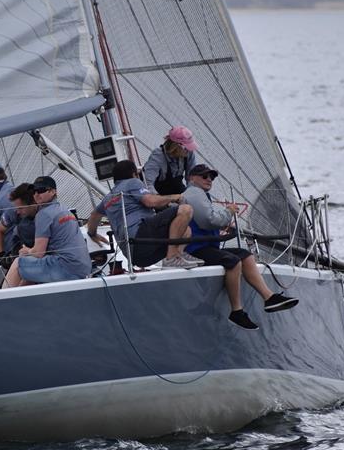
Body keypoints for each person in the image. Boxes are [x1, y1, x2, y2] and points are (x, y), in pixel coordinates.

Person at [184, 164, 299, 330]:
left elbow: (203, 221)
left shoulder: (200, 194)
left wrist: (221, 226)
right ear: (191, 178)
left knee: (245, 255)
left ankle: (269, 297)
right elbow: (209, 220)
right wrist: (229, 212)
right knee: (233, 261)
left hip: (205, 246)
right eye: (204, 176)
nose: (209, 179)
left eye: (212, 177)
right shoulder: (194, 192)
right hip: (195, 249)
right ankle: (237, 311)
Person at [86, 160, 202, 269]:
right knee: (186, 210)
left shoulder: (108, 198)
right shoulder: (132, 182)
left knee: (186, 230)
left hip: (136, 256)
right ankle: (171, 257)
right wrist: (174, 197)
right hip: (140, 235)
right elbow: (150, 201)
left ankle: (177, 255)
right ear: (134, 174)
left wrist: (92, 234)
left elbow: (94, 215)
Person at [4, 176, 91, 287]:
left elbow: (38, 253)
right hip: (83, 269)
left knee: (18, 264)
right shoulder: (65, 210)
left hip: (66, 269)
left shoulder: (43, 214)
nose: (36, 194)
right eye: (34, 191)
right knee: (31, 267)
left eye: (41, 190)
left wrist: (26, 251)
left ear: (53, 191)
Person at [0, 183, 38, 271]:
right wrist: (1, 256)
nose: (17, 211)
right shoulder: (14, 211)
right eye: (17, 208)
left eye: (21, 208)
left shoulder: (46, 214)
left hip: (39, 254)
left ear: (33, 203)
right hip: (19, 252)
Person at [143, 125, 198, 195]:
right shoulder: (158, 156)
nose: (188, 150)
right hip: (159, 193)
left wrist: (191, 196)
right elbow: (147, 183)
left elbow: (191, 179)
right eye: (186, 147)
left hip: (178, 190)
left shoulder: (188, 152)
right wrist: (160, 200)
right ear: (175, 146)